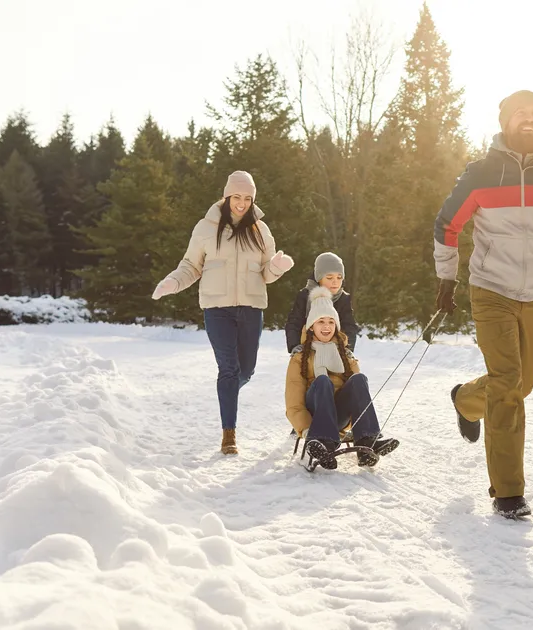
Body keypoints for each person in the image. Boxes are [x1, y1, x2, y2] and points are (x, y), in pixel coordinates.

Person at [432, 89, 533, 519]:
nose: (529, 119)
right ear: (505, 121)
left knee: (520, 386)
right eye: (520, 113)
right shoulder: (481, 174)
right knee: (508, 385)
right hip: (491, 289)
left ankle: (466, 400)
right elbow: (447, 225)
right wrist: (447, 277)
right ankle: (508, 492)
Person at [152, 170, 295, 455]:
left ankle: (227, 391)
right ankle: (229, 434)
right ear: (227, 196)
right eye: (236, 197)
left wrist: (277, 268)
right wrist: (172, 283)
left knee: (246, 370)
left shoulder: (260, 230)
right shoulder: (206, 228)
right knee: (228, 369)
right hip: (217, 310)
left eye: (247, 198)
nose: (242, 203)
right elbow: (191, 266)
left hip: (251, 308)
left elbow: (266, 273)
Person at [285, 286, 399, 469]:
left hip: (338, 415)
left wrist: (355, 427)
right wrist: (306, 429)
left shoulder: (345, 355)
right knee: (322, 381)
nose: (327, 326)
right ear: (312, 327)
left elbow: (358, 396)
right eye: (321, 321)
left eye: (331, 322)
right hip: (315, 417)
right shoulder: (299, 357)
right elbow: (293, 403)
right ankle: (323, 442)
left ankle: (367, 443)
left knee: (359, 379)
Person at [284, 252, 359, 353]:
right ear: (319, 278)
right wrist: (295, 345)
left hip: (334, 349)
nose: (335, 282)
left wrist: (347, 348)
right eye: (329, 278)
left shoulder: (343, 298)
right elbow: (294, 323)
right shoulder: (305, 296)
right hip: (307, 348)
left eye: (339, 277)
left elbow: (349, 326)